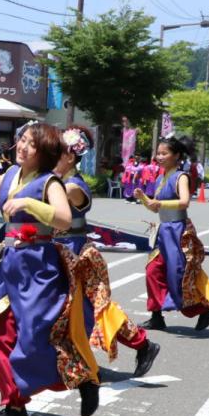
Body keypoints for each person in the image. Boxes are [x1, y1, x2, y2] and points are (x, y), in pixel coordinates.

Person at [0, 121, 102, 416]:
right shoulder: (12, 174)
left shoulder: (49, 182)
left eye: (30, 143)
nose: (22, 146)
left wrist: (29, 203)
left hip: (39, 265)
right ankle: (13, 405)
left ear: (44, 152)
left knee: (36, 336)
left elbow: (65, 219)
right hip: (10, 264)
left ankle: (82, 378)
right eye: (22, 140)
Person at [55, 126, 160, 378]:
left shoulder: (71, 187)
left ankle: (142, 344)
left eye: (55, 152)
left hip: (74, 254)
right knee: (76, 308)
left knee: (91, 307)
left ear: (70, 156)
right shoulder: (58, 181)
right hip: (59, 250)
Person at [135, 135, 209, 331]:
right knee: (153, 271)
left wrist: (159, 203)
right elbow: (156, 208)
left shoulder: (181, 176)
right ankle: (156, 316)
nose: (159, 156)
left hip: (177, 232)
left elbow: (184, 202)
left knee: (178, 276)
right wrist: (143, 199)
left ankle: (204, 309)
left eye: (164, 153)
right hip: (163, 231)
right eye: (158, 153)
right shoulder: (161, 177)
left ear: (176, 155)